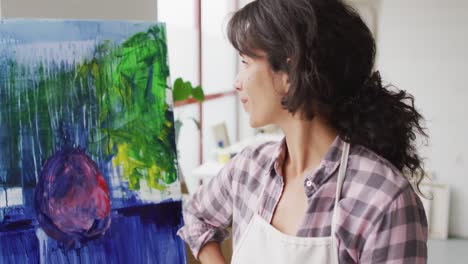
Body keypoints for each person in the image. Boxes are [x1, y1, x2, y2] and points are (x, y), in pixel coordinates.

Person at [177, 0, 428, 263]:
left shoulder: (385, 200)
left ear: (289, 71)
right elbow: (196, 216)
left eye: (246, 62)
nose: (237, 82)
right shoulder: (248, 168)